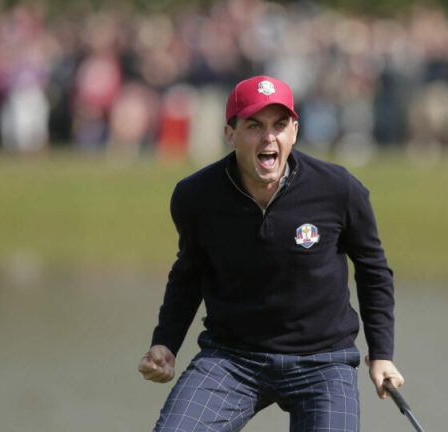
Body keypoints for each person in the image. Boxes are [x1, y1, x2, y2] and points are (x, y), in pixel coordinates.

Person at [139, 75, 404, 432]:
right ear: (229, 134)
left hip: (323, 361)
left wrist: (382, 354)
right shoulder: (195, 196)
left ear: (294, 130)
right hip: (232, 358)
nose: (269, 138)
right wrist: (165, 344)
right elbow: (188, 273)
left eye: (280, 125)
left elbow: (373, 271)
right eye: (254, 126)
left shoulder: (338, 189)